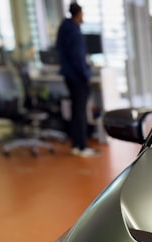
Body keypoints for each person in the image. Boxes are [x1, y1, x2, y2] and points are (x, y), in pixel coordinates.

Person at [56, 2, 96, 156]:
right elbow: (78, 58)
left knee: (75, 111)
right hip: (78, 77)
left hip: (68, 75)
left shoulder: (64, 28)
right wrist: (87, 76)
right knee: (80, 112)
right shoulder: (75, 32)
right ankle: (82, 146)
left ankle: (76, 145)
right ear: (78, 14)